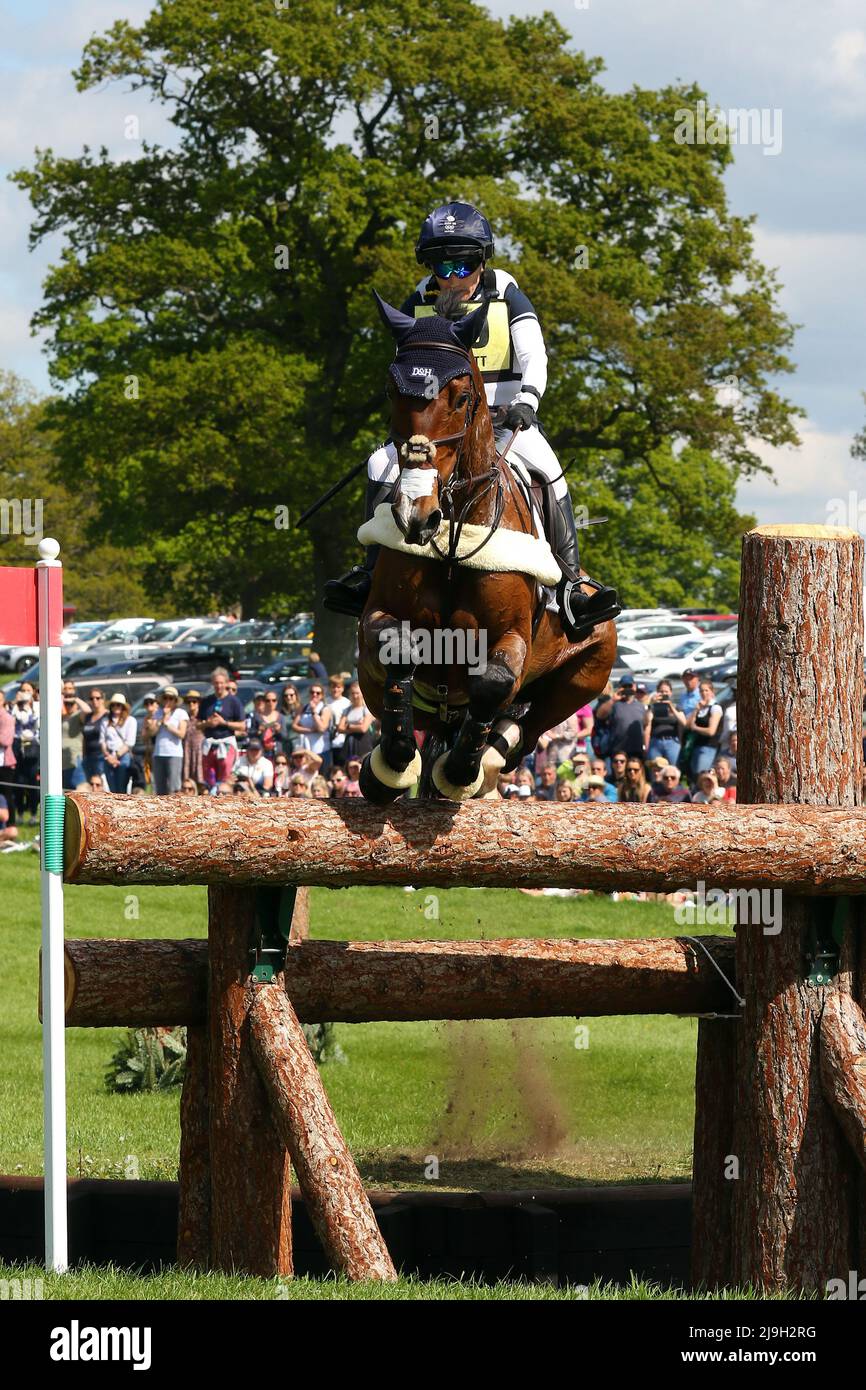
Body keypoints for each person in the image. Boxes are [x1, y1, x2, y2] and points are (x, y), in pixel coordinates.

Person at [323, 200, 619, 639]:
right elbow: (405, 367)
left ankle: (572, 585)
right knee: (379, 464)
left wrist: (528, 401)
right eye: (443, 266)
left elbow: (534, 355)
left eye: (463, 266)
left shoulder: (507, 295)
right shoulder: (418, 302)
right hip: (438, 428)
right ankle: (370, 572)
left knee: (549, 468)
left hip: (506, 420)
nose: (453, 277)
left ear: (481, 261)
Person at [198, 668, 246, 787]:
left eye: (221, 682)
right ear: (212, 683)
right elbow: (197, 725)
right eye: (216, 683)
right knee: (209, 779)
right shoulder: (206, 701)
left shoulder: (234, 701)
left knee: (225, 779)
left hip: (226, 743)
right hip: (209, 744)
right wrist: (208, 723)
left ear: (226, 683)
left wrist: (224, 723)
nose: (219, 685)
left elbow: (242, 725)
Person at [151, 687, 189, 796]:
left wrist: (168, 725)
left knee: (174, 787)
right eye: (165, 698)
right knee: (160, 788)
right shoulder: (158, 712)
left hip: (174, 753)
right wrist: (161, 720)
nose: (168, 700)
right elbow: (151, 733)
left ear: (175, 700)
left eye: (171, 698)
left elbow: (182, 734)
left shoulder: (181, 713)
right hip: (158, 752)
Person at [12, 683, 40, 821]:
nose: (25, 693)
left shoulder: (37, 707)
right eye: (22, 690)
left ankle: (34, 813)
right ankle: (20, 812)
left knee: (32, 782)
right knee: (18, 781)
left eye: (28, 690)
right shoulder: (14, 707)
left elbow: (37, 725)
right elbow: (11, 722)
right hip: (17, 746)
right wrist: (16, 704)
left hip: (33, 746)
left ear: (33, 692)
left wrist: (29, 706)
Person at [101, 693, 137, 793]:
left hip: (123, 756)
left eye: (119, 705)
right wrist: (108, 756)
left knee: (122, 789)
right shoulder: (105, 721)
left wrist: (115, 757)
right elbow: (102, 741)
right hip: (108, 757)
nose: (116, 707)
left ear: (123, 707)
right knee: (112, 790)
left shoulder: (131, 720)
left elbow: (130, 742)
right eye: (114, 705)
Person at [686, 680, 723, 778]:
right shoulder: (701, 708)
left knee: (702, 776)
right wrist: (696, 710)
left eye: (706, 690)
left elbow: (711, 731)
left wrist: (696, 728)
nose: (704, 693)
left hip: (708, 747)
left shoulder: (715, 708)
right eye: (701, 691)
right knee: (694, 776)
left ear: (712, 691)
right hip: (696, 746)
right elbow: (688, 725)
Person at [292, 683, 332, 770]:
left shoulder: (325, 709)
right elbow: (294, 726)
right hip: (306, 751)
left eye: (318, 693)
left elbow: (321, 728)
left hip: (321, 751)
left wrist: (314, 712)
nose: (315, 695)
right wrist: (311, 730)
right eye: (312, 692)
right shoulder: (304, 708)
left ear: (322, 695)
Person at [646, 679, 686, 764]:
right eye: (661, 691)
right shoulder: (653, 707)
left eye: (666, 691)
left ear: (671, 692)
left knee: (673, 769)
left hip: (672, 742)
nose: (664, 694)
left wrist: (671, 707)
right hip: (656, 742)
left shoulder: (676, 707)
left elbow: (683, 722)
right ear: (657, 692)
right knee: (655, 769)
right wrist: (652, 704)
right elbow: (647, 721)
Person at [337, 682, 375, 763]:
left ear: (362, 694)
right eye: (353, 693)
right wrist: (357, 725)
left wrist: (348, 726)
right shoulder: (347, 710)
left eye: (357, 693)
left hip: (363, 743)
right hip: (349, 744)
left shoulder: (366, 709)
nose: (355, 696)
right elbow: (340, 728)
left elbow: (363, 728)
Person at [60, 683, 89, 790]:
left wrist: (74, 699)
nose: (68, 706)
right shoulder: (60, 717)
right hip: (62, 761)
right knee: (65, 793)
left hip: (75, 759)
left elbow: (87, 711)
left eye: (70, 704)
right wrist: (62, 698)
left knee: (79, 791)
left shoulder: (77, 715)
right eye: (66, 704)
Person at [0, 692, 17, 826]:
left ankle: (11, 824)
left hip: (5, 764)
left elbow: (6, 740)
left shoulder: (7, 718)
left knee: (7, 794)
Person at [182, 690, 206, 788]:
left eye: (194, 701)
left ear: (199, 703)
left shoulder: (203, 716)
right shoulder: (184, 717)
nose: (191, 704)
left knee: (200, 777)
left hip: (200, 750)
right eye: (189, 702)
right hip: (186, 749)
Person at [326, 676, 351, 768]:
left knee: (340, 766)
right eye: (333, 687)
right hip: (327, 741)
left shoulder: (347, 703)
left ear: (343, 688)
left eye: (338, 687)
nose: (335, 689)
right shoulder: (326, 701)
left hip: (341, 741)